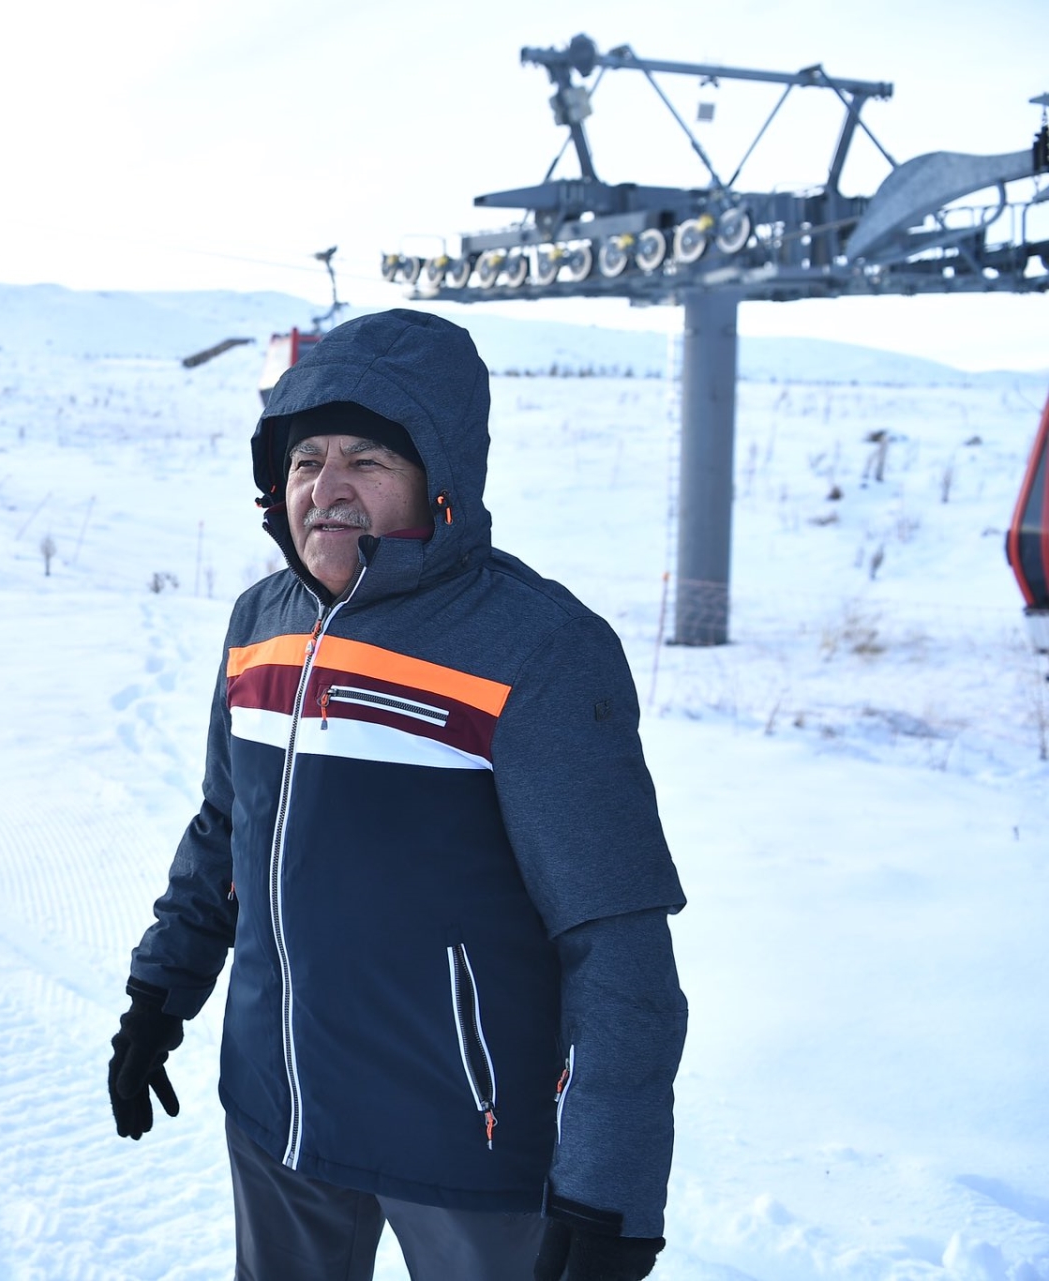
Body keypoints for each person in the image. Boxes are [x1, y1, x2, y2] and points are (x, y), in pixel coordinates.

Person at [108, 310, 687, 1281]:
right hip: (276, 1116)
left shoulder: (533, 649)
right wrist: (159, 993)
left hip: (460, 1146)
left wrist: (610, 1190)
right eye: (306, 461)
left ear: (439, 475)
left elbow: (616, 939)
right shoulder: (260, 624)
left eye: (367, 460)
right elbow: (226, 831)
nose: (326, 488)